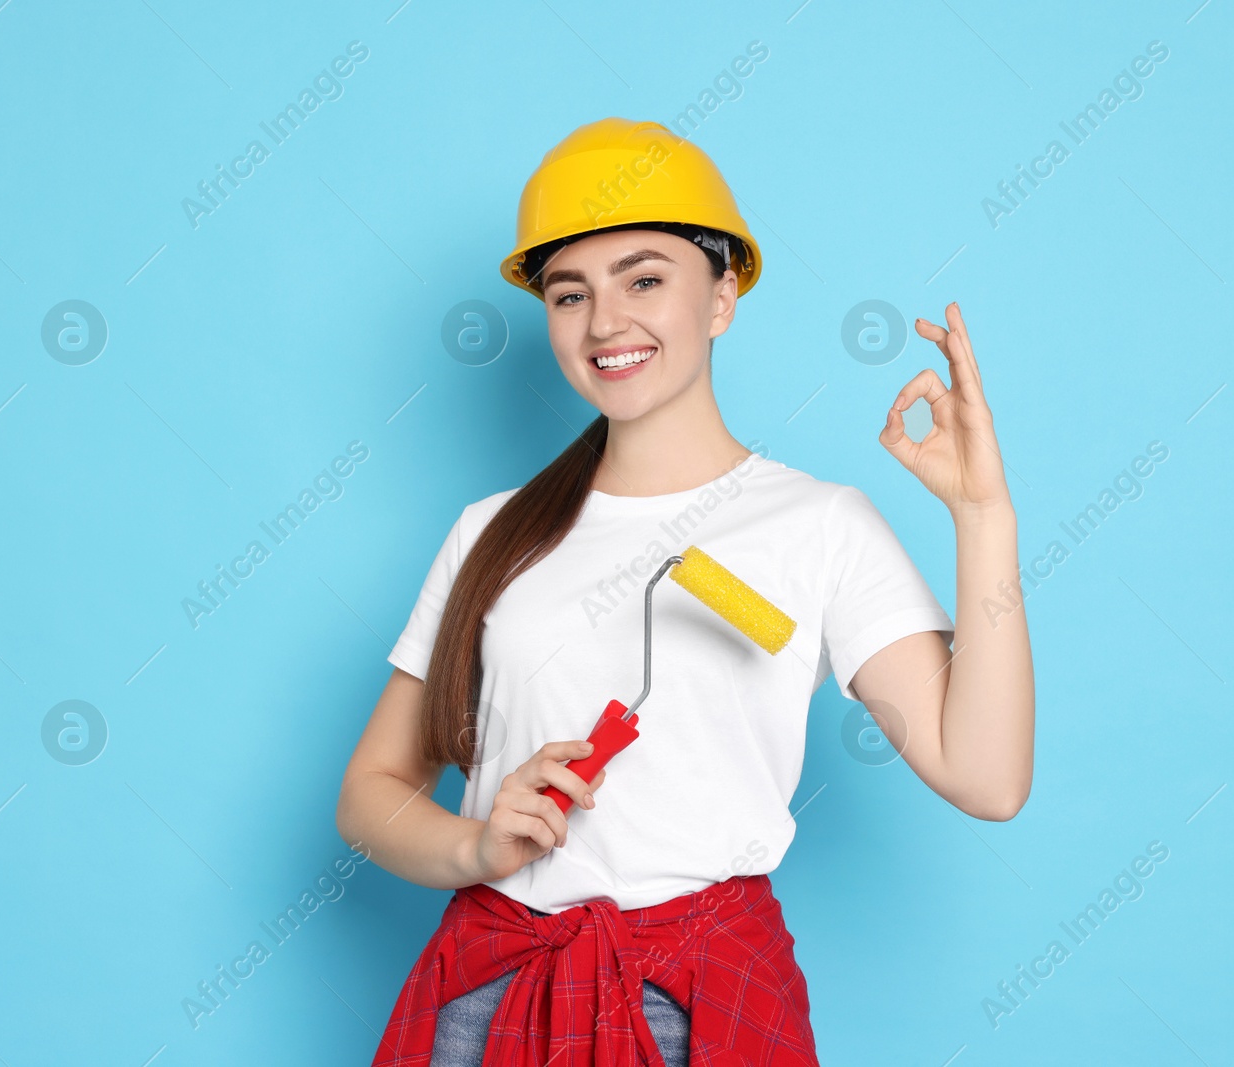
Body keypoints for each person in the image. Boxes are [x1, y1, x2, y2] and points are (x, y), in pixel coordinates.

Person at [336, 117, 1035, 1066]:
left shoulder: (820, 525)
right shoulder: (490, 532)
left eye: (645, 278)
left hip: (698, 1006)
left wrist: (984, 517)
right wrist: (478, 848)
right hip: (489, 998)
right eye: (569, 292)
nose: (605, 322)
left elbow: (986, 777)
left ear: (724, 295)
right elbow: (372, 792)